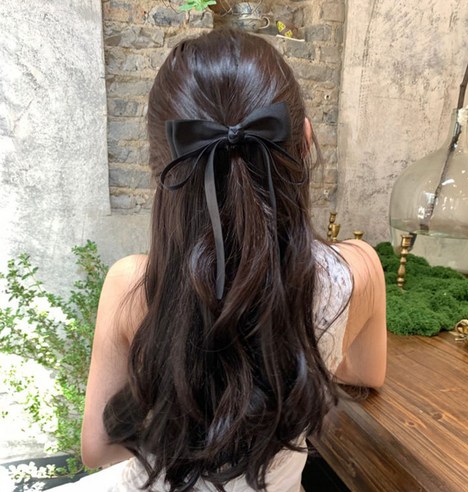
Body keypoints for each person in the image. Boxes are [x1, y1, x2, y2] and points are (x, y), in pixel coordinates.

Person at [55, 29, 386, 491]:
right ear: (305, 140)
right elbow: (368, 373)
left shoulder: (132, 284)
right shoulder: (360, 270)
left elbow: (99, 449)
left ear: (160, 165)